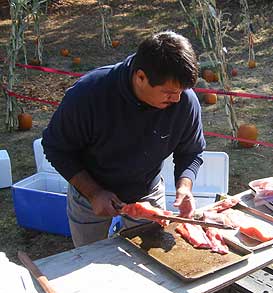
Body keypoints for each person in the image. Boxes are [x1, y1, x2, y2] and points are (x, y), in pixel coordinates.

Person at [42, 31, 206, 247]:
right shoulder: (88, 95)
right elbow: (56, 148)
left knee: (150, 261)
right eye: (168, 92)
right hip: (89, 193)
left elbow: (191, 151)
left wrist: (185, 186)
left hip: (147, 190)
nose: (176, 99)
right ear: (140, 77)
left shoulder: (184, 100)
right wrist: (94, 193)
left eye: (181, 91)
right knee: (89, 261)